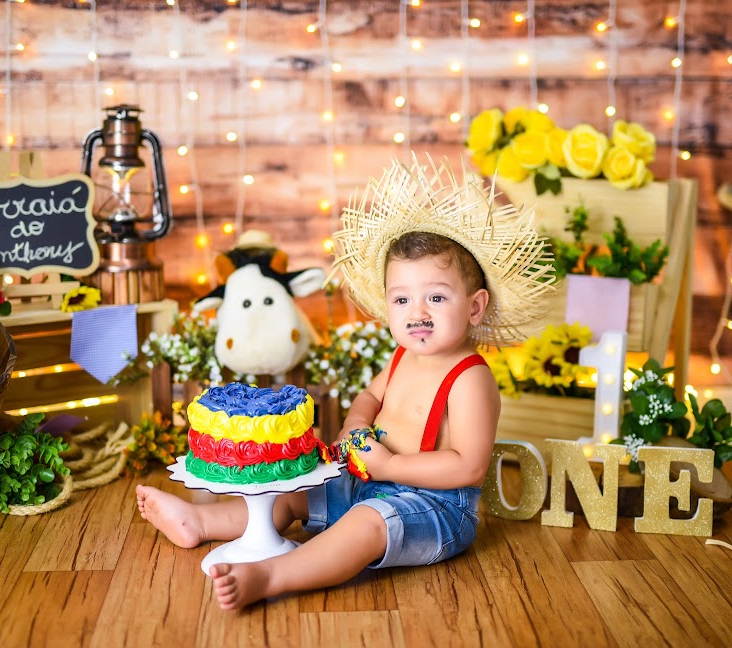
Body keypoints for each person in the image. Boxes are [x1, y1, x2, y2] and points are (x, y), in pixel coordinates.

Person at [136, 153, 556, 610]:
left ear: (474, 308)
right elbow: (371, 396)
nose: (418, 313)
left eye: (436, 297)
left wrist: (392, 468)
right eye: (402, 299)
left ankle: (272, 575)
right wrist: (356, 423)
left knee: (366, 525)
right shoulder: (404, 355)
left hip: (433, 508)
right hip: (367, 478)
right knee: (295, 493)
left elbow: (469, 466)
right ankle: (201, 523)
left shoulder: (470, 377)